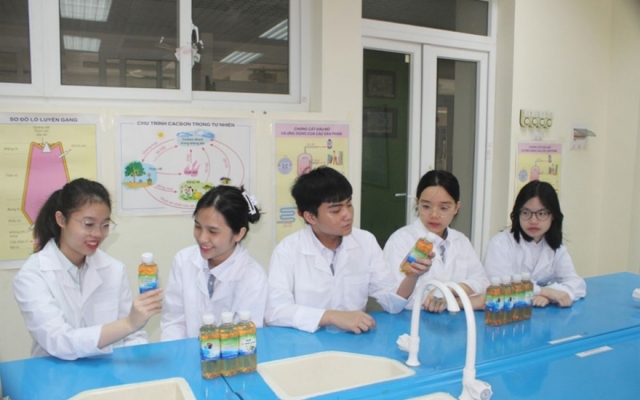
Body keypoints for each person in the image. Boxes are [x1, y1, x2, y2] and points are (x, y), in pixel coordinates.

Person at [265, 166, 429, 334]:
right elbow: (275, 312)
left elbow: (392, 303)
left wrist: (412, 276)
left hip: (354, 341)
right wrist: (331, 316)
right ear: (310, 217)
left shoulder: (365, 242)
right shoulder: (288, 250)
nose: (348, 215)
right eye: (336, 210)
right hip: (306, 343)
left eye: (349, 204)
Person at [13, 178, 162, 360]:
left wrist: (134, 366)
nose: (98, 234)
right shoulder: (32, 275)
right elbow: (59, 341)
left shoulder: (114, 269)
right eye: (88, 224)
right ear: (61, 219)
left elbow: (133, 335)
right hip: (56, 372)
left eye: (105, 225)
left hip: (108, 370)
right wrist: (129, 323)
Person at [161, 185, 267, 341]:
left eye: (213, 231)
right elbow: (174, 321)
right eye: (198, 226)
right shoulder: (183, 260)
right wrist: (177, 352)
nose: (202, 238)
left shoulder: (254, 277)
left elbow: (246, 336)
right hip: (185, 352)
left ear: (239, 233)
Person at [384, 170, 489, 313]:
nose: (434, 215)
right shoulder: (401, 239)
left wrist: (448, 290)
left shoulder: (461, 240)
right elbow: (395, 300)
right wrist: (464, 301)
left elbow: (482, 282)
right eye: (426, 206)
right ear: (417, 203)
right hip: (410, 321)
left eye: (444, 208)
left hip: (454, 322)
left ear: (456, 208)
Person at [483, 180, 586, 307]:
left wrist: (549, 297)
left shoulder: (556, 246)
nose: (533, 221)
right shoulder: (500, 244)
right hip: (505, 313)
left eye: (541, 213)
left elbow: (577, 284)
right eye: (526, 213)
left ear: (553, 216)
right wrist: (545, 292)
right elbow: (499, 286)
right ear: (517, 214)